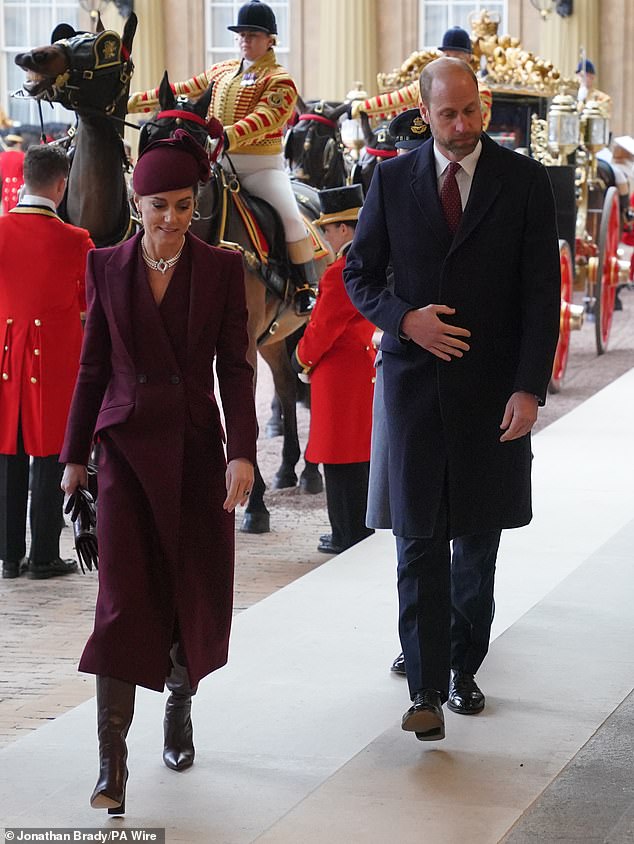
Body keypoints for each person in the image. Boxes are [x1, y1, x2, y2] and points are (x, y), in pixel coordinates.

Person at [344, 57, 560, 742]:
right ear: (425, 112)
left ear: (484, 107)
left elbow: (540, 294)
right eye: (447, 115)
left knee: (476, 541)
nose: (461, 125)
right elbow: (359, 272)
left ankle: (466, 666)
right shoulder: (390, 178)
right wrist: (405, 319)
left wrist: (529, 387)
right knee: (416, 540)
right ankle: (425, 688)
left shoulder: (523, 182)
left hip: (493, 393)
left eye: (470, 112)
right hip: (412, 390)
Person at [59, 130, 258, 813]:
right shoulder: (106, 267)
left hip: (198, 454)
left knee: (186, 595)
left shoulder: (224, 269)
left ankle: (180, 703)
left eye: (182, 204)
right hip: (121, 455)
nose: (171, 217)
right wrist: (75, 456)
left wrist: (243, 452)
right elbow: (90, 366)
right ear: (137, 203)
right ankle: (110, 764)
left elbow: (235, 368)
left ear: (196, 201)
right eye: (158, 205)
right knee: (118, 604)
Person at [128, 0, 317, 316]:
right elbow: (181, 89)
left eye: (253, 35)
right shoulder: (221, 71)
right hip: (217, 162)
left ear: (271, 39)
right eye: (241, 34)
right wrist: (130, 102)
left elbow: (268, 116)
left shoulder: (279, 79)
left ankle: (303, 286)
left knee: (289, 217)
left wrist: (227, 134)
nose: (245, 40)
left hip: (260, 167)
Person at [0, 145, 93, 580]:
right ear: (62, 184)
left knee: (9, 455)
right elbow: (86, 304)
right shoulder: (76, 240)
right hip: (54, 362)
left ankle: (7, 556)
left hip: (4, 360)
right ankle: (42, 556)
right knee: (50, 456)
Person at [292, 184, 375, 555]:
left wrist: (300, 358)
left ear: (343, 229)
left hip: (340, 372)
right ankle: (358, 525)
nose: (323, 235)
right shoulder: (373, 259)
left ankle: (346, 531)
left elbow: (322, 327)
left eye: (326, 229)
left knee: (340, 457)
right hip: (362, 363)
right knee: (360, 452)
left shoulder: (339, 271)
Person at [350, 26, 492, 132]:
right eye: (447, 56)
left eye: (457, 57)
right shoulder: (425, 85)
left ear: (469, 58)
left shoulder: (481, 91)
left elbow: (475, 128)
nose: (451, 62)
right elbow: (391, 101)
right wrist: (357, 108)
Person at [0, 134, 25, 213]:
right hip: (19, 189)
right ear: (17, 144)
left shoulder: (1, 156)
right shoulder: (22, 156)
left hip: (6, 189)